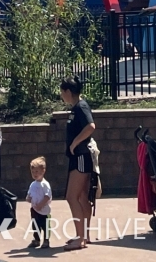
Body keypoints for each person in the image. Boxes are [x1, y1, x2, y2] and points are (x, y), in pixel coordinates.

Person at [60, 76, 95, 251]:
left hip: (81, 157)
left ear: (68, 91)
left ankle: (80, 239)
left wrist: (74, 143)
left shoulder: (81, 107)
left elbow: (91, 126)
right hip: (77, 158)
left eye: (62, 91)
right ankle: (84, 235)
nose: (61, 95)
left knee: (71, 197)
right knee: (81, 197)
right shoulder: (76, 108)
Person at [26, 156, 52, 250]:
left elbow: (47, 196)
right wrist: (28, 198)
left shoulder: (45, 184)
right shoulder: (33, 184)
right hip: (34, 209)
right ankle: (36, 239)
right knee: (35, 225)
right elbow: (30, 194)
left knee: (45, 226)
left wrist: (41, 204)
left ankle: (46, 240)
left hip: (44, 210)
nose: (34, 174)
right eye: (33, 172)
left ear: (43, 171)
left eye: (37, 172)